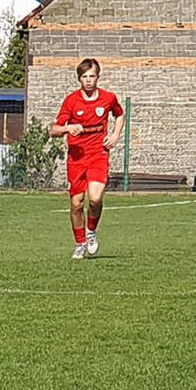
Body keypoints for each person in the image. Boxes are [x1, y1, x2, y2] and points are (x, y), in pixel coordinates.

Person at [49, 59, 125, 260]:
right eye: (84, 77)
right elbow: (53, 130)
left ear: (98, 77)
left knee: (95, 198)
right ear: (79, 79)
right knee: (76, 204)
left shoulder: (108, 98)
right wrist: (67, 128)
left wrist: (115, 135)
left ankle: (91, 231)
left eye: (92, 76)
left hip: (99, 155)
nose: (88, 80)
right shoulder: (71, 101)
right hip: (76, 158)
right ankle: (80, 244)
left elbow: (119, 115)